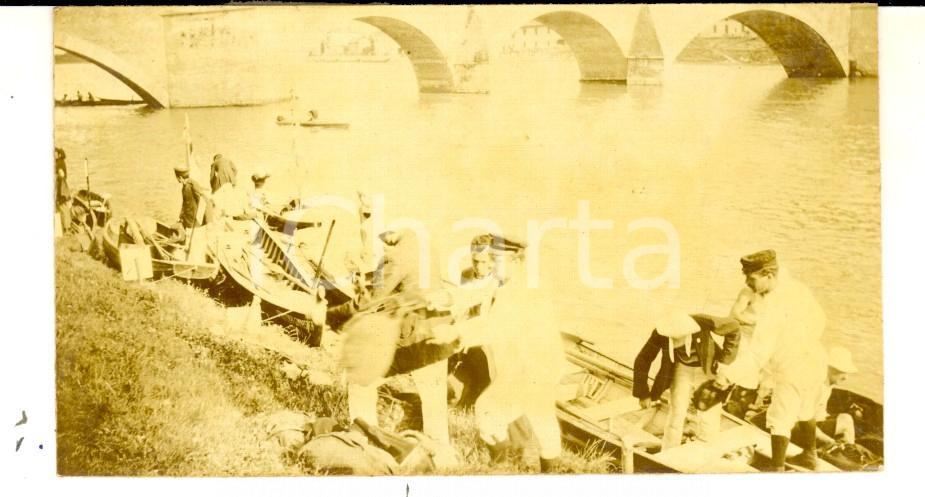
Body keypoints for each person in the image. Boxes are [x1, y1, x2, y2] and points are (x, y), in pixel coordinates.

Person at [431, 234, 566, 472]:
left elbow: (494, 327)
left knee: (486, 413)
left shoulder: (521, 291)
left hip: (528, 370)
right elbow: (475, 294)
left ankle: (500, 468)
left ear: (516, 261)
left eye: (496, 260)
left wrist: (455, 332)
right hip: (540, 367)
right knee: (543, 422)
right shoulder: (511, 282)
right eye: (491, 259)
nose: (491, 265)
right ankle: (547, 473)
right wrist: (445, 299)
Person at [717, 249, 828, 472]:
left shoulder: (773, 306)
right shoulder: (798, 288)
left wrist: (726, 376)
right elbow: (821, 321)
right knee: (806, 408)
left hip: (792, 366)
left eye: (751, 278)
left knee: (779, 417)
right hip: (816, 360)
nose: (748, 283)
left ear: (768, 275)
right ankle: (809, 455)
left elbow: (758, 354)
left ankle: (777, 469)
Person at [632, 312, 740, 448]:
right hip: (681, 368)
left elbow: (734, 327)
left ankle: (705, 450)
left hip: (706, 368)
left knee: (709, 415)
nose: (676, 341)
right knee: (676, 413)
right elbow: (643, 359)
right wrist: (643, 394)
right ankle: (669, 450)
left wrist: (724, 363)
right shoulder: (661, 332)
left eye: (679, 338)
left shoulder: (702, 321)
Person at [447, 234, 501, 407]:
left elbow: (494, 319)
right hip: (467, 332)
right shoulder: (466, 274)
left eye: (483, 262)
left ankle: (471, 399)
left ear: (493, 261)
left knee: (484, 376)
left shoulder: (498, 282)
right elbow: (461, 306)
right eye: (475, 261)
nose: (478, 266)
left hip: (487, 337)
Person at [787, 346, 859, 469]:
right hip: (797, 428)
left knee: (846, 418)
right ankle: (845, 452)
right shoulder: (817, 386)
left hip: (811, 425)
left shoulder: (827, 386)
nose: (845, 377)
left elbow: (819, 416)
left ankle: (848, 450)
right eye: (842, 372)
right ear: (830, 369)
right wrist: (829, 440)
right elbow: (804, 421)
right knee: (845, 422)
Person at [171, 163, 211, 244]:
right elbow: (184, 204)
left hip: (194, 221)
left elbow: (204, 200)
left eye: (177, 178)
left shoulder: (192, 185)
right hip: (188, 220)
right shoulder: (185, 186)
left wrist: (206, 220)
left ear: (180, 178)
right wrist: (180, 218)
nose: (177, 179)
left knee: (194, 240)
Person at [54, 147, 71, 229]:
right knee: (64, 207)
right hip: (63, 187)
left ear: (59, 154)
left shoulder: (59, 163)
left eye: (55, 153)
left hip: (60, 188)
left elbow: (61, 175)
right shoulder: (62, 162)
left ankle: (66, 226)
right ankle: (67, 225)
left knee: (62, 207)